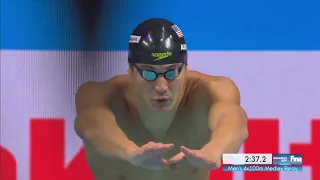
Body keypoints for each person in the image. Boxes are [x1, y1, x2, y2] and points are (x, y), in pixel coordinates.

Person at [74, 18, 248, 180]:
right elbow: (91, 126)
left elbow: (234, 120)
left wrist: (214, 150)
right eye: (149, 73)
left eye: (172, 72)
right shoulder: (101, 95)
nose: (161, 86)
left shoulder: (210, 91)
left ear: (186, 69)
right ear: (131, 71)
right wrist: (130, 152)